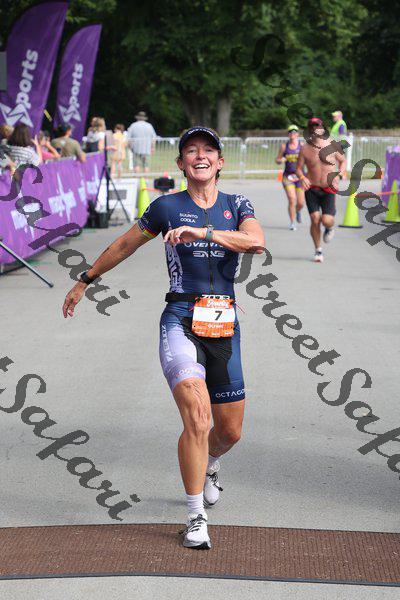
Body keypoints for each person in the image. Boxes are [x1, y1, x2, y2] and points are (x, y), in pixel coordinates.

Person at [61, 126, 265, 550]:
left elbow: (255, 243)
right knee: (197, 416)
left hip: (223, 323)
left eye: (208, 150)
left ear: (220, 162)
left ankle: (211, 464)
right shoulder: (166, 207)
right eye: (191, 151)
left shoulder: (236, 204)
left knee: (229, 432)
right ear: (181, 163)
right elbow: (124, 245)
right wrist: (85, 279)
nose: (200, 156)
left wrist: (204, 233)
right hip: (180, 319)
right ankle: (195, 516)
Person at [296, 117, 346, 263]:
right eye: (312, 126)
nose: (315, 129)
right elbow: (298, 168)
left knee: (327, 220)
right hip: (311, 187)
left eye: (318, 126)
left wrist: (339, 175)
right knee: (315, 218)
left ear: (323, 128)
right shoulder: (305, 149)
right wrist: (302, 177)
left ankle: (329, 228)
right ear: (309, 129)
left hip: (328, 188)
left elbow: (343, 161)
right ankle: (318, 250)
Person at [275, 125, 305, 230]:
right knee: (292, 199)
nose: (292, 134)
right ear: (288, 134)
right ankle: (292, 222)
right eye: (290, 132)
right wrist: (280, 160)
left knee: (300, 203)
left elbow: (308, 159)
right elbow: (277, 160)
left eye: (294, 132)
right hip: (288, 177)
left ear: (297, 134)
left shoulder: (302, 146)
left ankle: (298, 211)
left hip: (300, 177)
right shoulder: (284, 146)